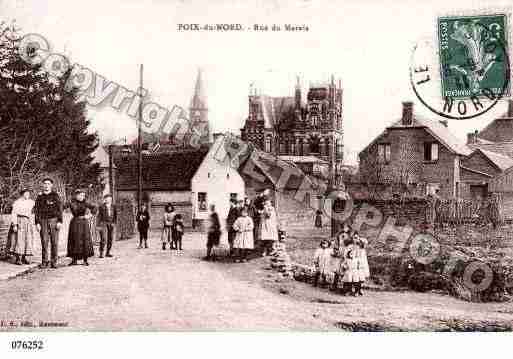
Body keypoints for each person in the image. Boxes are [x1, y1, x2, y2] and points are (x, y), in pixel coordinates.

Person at [35, 178, 63, 269]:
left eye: (48, 184)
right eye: (45, 184)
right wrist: (37, 223)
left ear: (51, 185)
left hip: (54, 221)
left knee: (54, 242)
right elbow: (37, 211)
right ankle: (44, 262)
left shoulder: (55, 196)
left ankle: (54, 262)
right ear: (43, 185)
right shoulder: (39, 197)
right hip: (43, 221)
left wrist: (60, 221)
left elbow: (59, 209)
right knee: (44, 242)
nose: (46, 185)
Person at [67, 189, 96, 266]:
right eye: (80, 195)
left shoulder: (85, 203)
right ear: (76, 195)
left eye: (83, 195)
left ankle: (85, 260)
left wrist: (89, 216)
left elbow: (94, 208)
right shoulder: (72, 202)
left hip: (83, 223)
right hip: (75, 223)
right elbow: (61, 206)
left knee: (85, 240)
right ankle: (74, 260)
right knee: (74, 240)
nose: (82, 197)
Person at [8, 189, 35, 265]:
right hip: (19, 221)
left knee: (27, 239)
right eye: (26, 193)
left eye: (28, 194)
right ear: (22, 194)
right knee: (19, 239)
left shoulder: (31, 202)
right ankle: (18, 258)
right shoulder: (17, 202)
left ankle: (24, 257)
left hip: (27, 222)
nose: (27, 195)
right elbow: (14, 213)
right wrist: (15, 225)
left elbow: (39, 205)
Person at [97, 194, 117, 258]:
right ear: (105, 199)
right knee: (103, 238)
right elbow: (99, 216)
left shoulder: (113, 206)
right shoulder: (101, 206)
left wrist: (114, 223)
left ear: (111, 199)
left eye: (109, 198)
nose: (108, 200)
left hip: (111, 224)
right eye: (106, 198)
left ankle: (108, 252)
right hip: (103, 223)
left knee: (110, 238)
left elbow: (115, 215)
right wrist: (98, 225)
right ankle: (101, 252)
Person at [353, 231, 369, 296]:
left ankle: (360, 289)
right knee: (356, 277)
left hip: (362, 264)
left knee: (361, 278)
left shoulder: (362, 249)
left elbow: (365, 243)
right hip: (356, 263)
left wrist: (359, 239)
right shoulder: (354, 247)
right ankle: (356, 290)